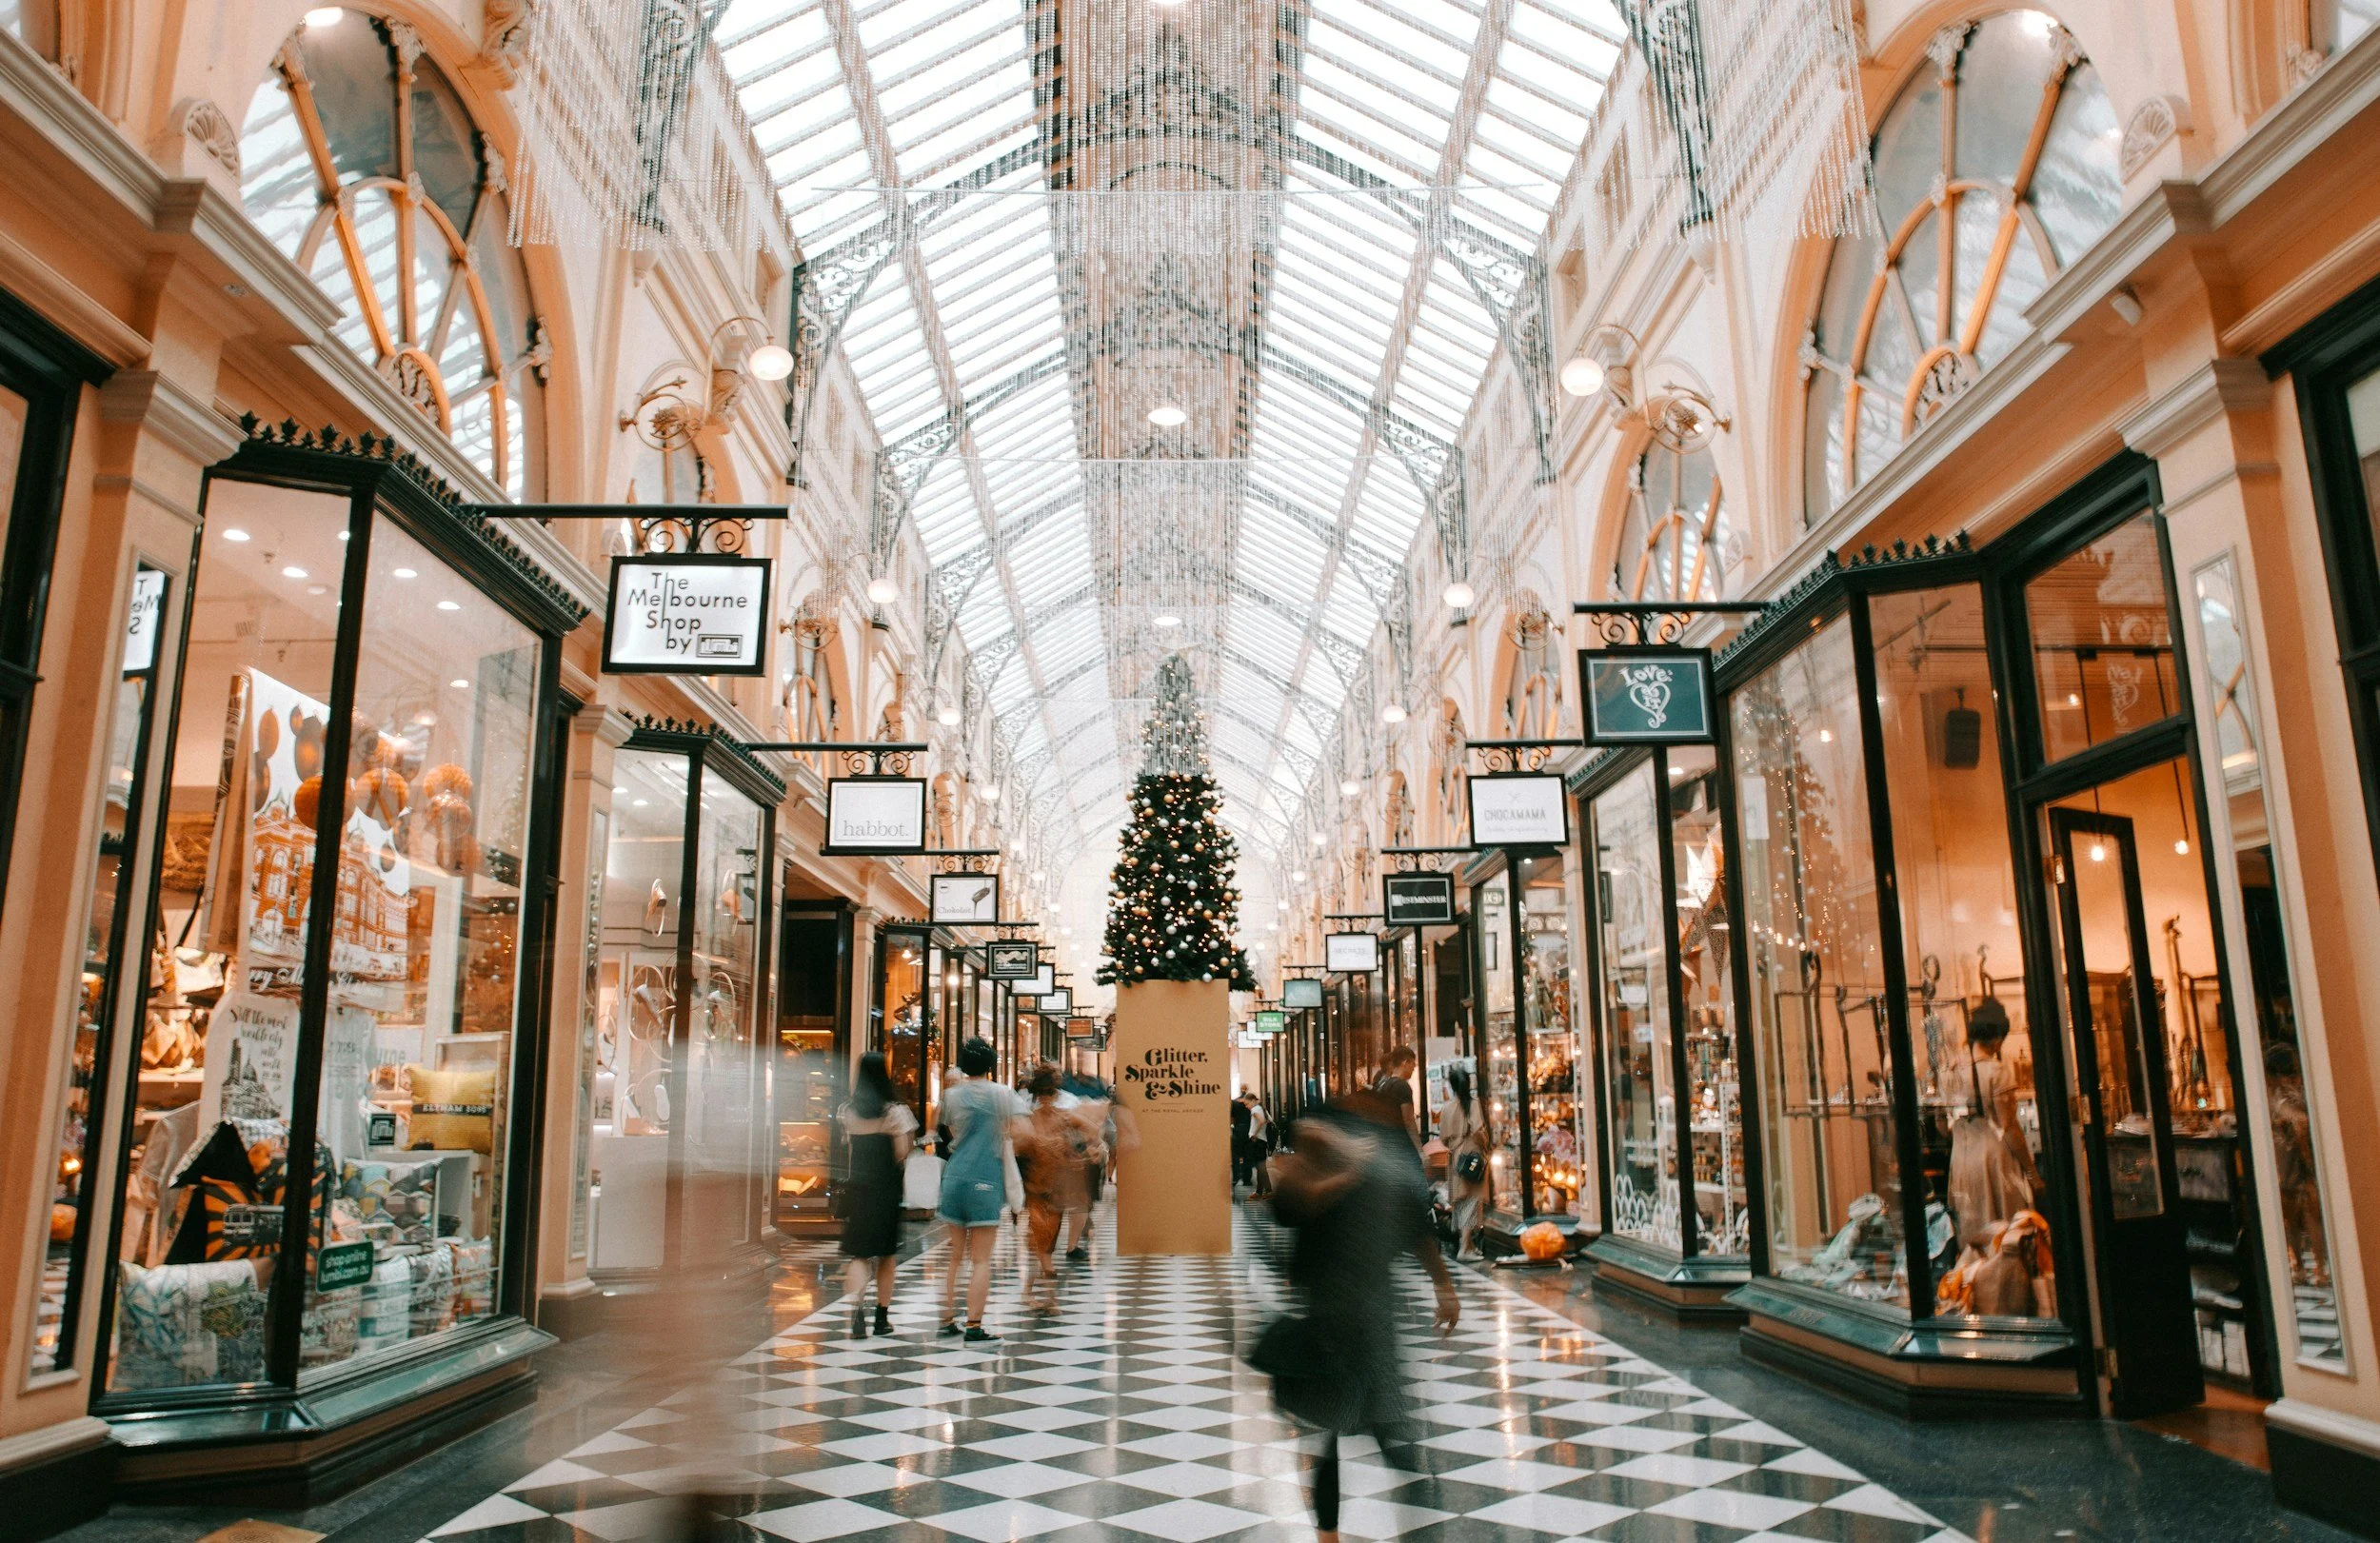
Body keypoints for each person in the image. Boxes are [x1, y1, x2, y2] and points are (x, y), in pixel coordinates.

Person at [1262, 1105, 1460, 1543]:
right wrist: (1347, 1169)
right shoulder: (1318, 1176)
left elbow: (1415, 1228)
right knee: (1331, 1440)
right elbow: (1289, 1206)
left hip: (1367, 1324)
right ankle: (1329, 1536)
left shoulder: (1372, 1175)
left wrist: (1444, 1286)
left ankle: (1412, 1533)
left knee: (1389, 1438)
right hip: (1330, 1325)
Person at [1943, 999, 2043, 1252]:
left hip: (1961, 1160)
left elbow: (1941, 1126)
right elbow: (2008, 1128)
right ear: (1998, 1038)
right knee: (2003, 1231)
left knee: (1970, 1228)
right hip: (1994, 1160)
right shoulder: (1997, 1072)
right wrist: (2031, 1173)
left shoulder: (1950, 1071)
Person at [937, 1038, 1013, 1341]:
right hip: (985, 1177)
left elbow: (950, 1130)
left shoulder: (951, 1096)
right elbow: (1018, 1130)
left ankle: (946, 1320)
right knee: (980, 1259)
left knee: (954, 1257)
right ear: (991, 1066)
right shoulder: (1001, 1095)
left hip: (955, 1176)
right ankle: (974, 1325)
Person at [838, 1053, 915, 1338]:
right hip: (885, 1190)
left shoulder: (848, 1111)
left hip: (859, 1189)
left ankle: (857, 1314)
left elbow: (848, 1149)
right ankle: (881, 1318)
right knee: (886, 1255)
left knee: (860, 1255)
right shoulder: (894, 1112)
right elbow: (901, 1151)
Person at [1015, 1062, 1102, 1312]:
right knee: (1043, 1242)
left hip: (1040, 1188)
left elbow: (1017, 1147)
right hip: (1050, 1188)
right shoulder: (1062, 1117)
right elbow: (1094, 1130)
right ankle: (1044, 1295)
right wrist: (1084, 1151)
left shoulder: (1032, 1119)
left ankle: (1037, 1293)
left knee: (1042, 1243)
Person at [1436, 1062, 1490, 1260]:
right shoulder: (1473, 1104)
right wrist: (1486, 1146)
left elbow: (1442, 1138)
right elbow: (1478, 1129)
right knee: (1471, 1200)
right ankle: (1464, 1249)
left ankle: (1467, 1243)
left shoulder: (1447, 1108)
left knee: (1460, 1200)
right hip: (1471, 1153)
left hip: (1455, 1156)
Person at [1373, 1046, 1420, 1148]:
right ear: (1405, 1062)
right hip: (1399, 1145)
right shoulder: (1403, 1087)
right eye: (1412, 1063)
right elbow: (1409, 1121)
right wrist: (1420, 1150)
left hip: (1384, 1144)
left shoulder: (1384, 1085)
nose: (1414, 1067)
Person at [1245, 1091, 1274, 1198]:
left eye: (1247, 1104)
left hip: (1257, 1142)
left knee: (1260, 1167)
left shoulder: (1255, 1109)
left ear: (1253, 1101)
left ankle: (1266, 1191)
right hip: (1263, 1141)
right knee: (1261, 1167)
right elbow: (1268, 1120)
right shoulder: (1263, 1109)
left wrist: (1255, 1134)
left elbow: (1261, 1121)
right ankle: (1261, 1191)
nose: (1247, 1106)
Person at [1231, 1088, 1256, 1191]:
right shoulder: (1252, 1105)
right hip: (1249, 1131)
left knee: (1235, 1155)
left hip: (1237, 1131)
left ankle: (1236, 1177)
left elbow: (1232, 1118)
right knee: (1248, 1156)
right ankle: (1247, 1179)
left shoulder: (1235, 1103)